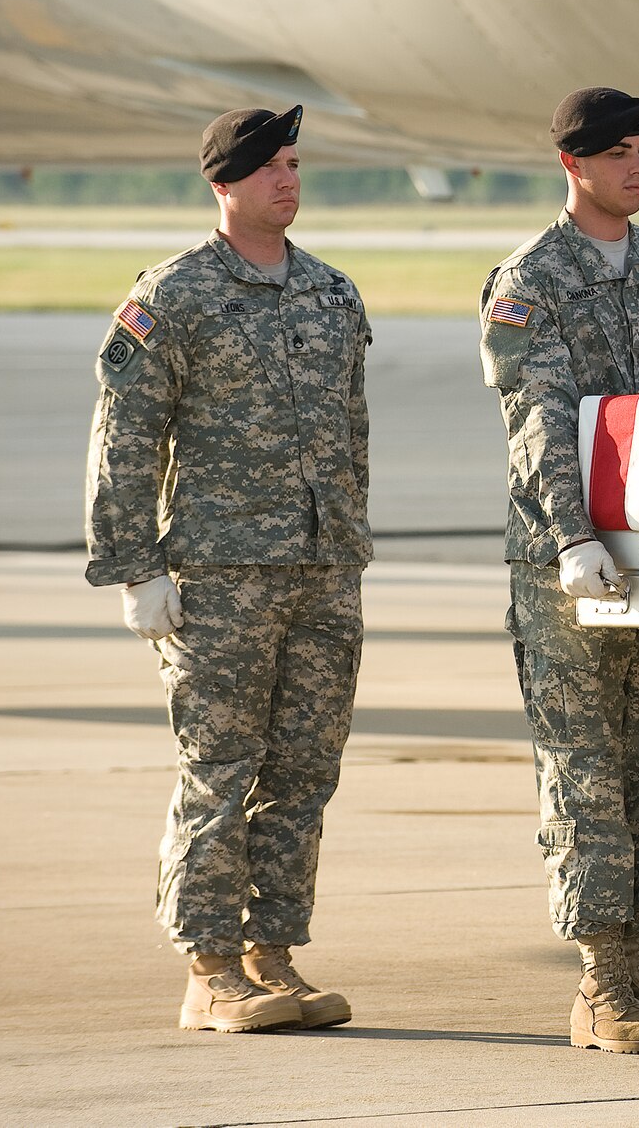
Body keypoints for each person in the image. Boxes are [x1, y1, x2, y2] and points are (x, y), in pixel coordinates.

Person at [85, 105, 369, 1034]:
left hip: (323, 570)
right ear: (225, 184)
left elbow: (351, 435)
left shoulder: (332, 292)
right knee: (220, 766)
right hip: (220, 575)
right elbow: (125, 437)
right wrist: (134, 566)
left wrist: (349, 547)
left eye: (294, 164)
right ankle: (209, 967)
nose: (288, 181)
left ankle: (272, 953)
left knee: (303, 771)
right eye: (270, 169)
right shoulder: (175, 295)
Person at [480, 87, 639, 1056]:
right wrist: (571, 534)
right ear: (574, 164)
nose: (637, 165)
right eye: (619, 151)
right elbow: (534, 411)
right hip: (566, 561)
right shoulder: (530, 276)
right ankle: (596, 983)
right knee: (586, 775)